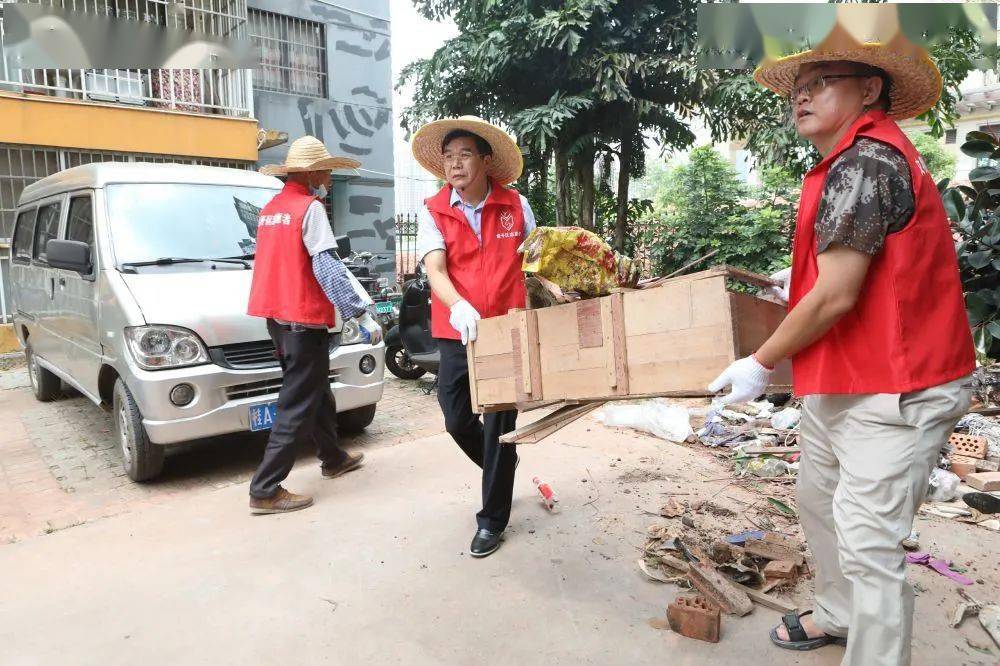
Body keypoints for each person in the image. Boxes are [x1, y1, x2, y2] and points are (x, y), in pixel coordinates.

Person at [708, 32, 977, 666]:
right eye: (799, 85)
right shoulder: (841, 166)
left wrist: (760, 361)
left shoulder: (867, 162)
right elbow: (845, 272)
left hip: (901, 382)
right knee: (818, 500)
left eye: (821, 80)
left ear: (869, 89)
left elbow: (835, 298)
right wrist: (790, 283)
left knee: (867, 539)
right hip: (848, 374)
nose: (801, 93)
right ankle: (836, 613)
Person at [411, 117, 537, 557]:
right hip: (456, 329)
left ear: (485, 161)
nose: (455, 164)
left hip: (505, 328)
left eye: (464, 154)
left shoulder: (516, 205)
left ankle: (492, 519)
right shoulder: (433, 210)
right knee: (455, 416)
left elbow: (535, 261)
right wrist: (459, 305)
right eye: (448, 157)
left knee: (500, 426)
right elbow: (435, 268)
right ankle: (500, 466)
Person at [246, 136, 383, 514]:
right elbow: (326, 267)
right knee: (295, 403)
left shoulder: (271, 209)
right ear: (312, 173)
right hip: (302, 319)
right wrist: (359, 312)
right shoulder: (309, 209)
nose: (329, 175)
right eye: (326, 169)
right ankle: (265, 488)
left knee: (317, 388)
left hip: (278, 319)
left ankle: (333, 457)